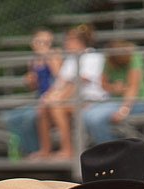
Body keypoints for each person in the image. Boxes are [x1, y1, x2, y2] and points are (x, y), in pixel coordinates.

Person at [41, 24, 106, 159]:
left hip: (91, 100)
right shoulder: (70, 59)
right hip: (72, 99)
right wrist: (49, 95)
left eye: (69, 40)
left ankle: (67, 150)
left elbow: (82, 79)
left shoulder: (94, 56)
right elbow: (61, 81)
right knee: (43, 108)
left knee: (57, 107)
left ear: (80, 41)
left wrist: (59, 97)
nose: (66, 43)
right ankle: (45, 150)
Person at [1, 29, 62, 158]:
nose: (43, 45)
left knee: (29, 118)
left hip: (53, 101)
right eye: (40, 42)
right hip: (39, 100)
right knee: (11, 118)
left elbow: (60, 81)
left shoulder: (53, 56)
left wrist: (49, 59)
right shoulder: (33, 61)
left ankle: (38, 151)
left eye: (47, 42)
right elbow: (34, 88)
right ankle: (29, 150)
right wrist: (30, 81)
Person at [83, 40, 144, 144]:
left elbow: (133, 87)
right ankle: (110, 146)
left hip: (136, 102)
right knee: (86, 115)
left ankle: (110, 150)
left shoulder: (134, 56)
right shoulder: (110, 57)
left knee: (96, 119)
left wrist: (123, 110)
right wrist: (114, 88)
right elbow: (103, 84)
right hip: (114, 101)